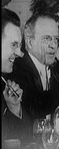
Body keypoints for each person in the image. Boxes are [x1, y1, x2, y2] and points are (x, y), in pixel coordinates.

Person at [8, 13, 59, 120]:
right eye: (47, 38)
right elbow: (35, 107)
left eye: (56, 39)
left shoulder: (53, 66)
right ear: (29, 42)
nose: (53, 45)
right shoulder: (17, 68)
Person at [1, 8, 32, 143]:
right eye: (14, 45)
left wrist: (14, 108)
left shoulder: (4, 82)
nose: (19, 53)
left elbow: (24, 140)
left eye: (19, 46)